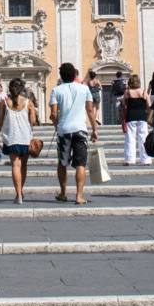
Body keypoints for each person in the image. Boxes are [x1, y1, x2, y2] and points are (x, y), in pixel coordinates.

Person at [50, 62, 98, 205]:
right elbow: (90, 111)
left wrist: (57, 126)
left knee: (62, 162)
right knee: (80, 164)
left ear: (61, 76)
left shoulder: (56, 90)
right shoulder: (84, 89)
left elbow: (53, 113)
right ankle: (79, 196)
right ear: (75, 75)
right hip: (80, 130)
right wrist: (95, 130)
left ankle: (63, 193)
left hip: (64, 130)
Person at [0, 77, 38, 203]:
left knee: (15, 165)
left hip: (11, 137)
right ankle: (20, 191)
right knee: (23, 166)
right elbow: (33, 122)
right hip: (25, 138)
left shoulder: (4, 102)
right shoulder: (29, 103)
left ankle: (18, 195)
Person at [119, 75, 152, 166]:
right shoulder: (144, 92)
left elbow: (123, 102)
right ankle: (146, 160)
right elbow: (149, 105)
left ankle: (129, 160)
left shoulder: (128, 92)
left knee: (130, 138)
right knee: (143, 138)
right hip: (142, 116)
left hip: (131, 116)